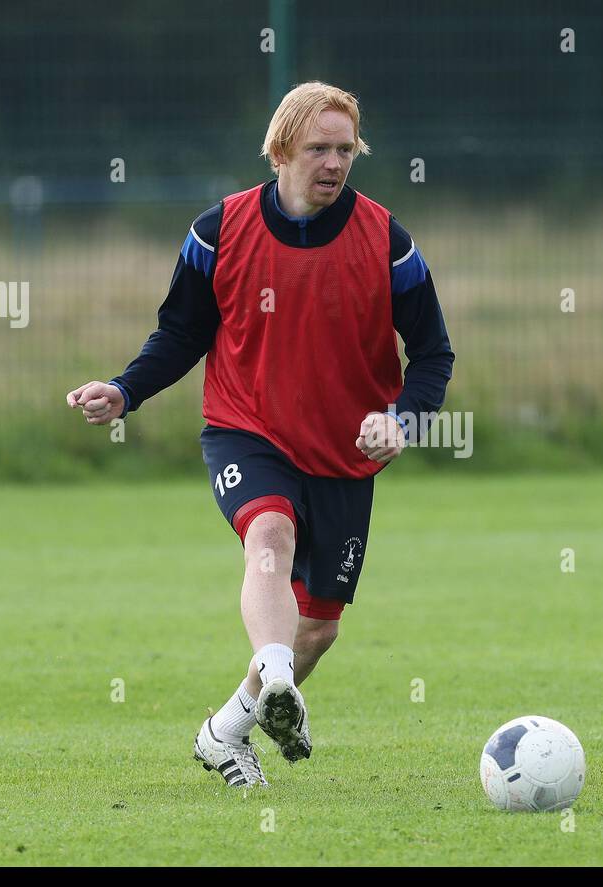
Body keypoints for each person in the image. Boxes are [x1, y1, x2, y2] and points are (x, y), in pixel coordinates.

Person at [65, 81, 454, 788]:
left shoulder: (388, 242)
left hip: (344, 453)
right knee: (268, 536)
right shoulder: (219, 232)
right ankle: (277, 680)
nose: (333, 163)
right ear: (280, 151)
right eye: (318, 149)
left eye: (345, 150)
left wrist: (403, 419)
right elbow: (182, 333)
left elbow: (433, 355)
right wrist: (125, 391)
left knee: (320, 628)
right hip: (247, 430)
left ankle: (228, 729)